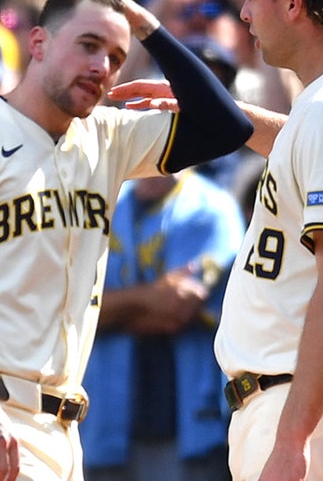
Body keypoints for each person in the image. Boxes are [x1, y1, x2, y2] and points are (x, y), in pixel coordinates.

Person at [0, 0, 253, 481]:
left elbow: (227, 126)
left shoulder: (106, 135)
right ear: (38, 42)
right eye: (88, 45)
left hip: (65, 430)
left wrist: (146, 23)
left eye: (116, 57)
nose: (102, 66)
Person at [117, 0, 323, 481]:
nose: (244, 14)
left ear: (293, 2)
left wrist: (293, 439)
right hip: (293, 403)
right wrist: (220, 113)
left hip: (299, 408)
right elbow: (298, 139)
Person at [82, 169, 244, 481]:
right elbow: (68, 308)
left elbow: (175, 310)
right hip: (102, 422)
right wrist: (151, 295)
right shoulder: (100, 204)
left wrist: (105, 307)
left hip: (188, 424)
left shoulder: (212, 208)